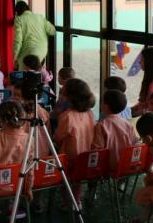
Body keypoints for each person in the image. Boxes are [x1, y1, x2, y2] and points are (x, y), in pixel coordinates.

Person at [53, 78, 96, 208]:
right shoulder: (90, 113)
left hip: (69, 157)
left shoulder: (67, 116)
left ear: (69, 97)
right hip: (85, 155)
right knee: (76, 181)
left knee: (66, 180)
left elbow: (58, 137)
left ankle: (69, 203)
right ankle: (76, 201)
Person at [92, 90, 138, 171]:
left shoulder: (101, 125)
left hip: (108, 167)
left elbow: (98, 150)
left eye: (102, 101)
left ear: (105, 106)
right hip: (125, 164)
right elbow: (134, 144)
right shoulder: (128, 124)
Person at [13, 1, 55, 70]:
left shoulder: (18, 19)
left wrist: (14, 58)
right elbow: (52, 31)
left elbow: (18, 41)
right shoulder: (40, 17)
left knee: (23, 71)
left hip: (29, 52)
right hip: (42, 51)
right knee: (36, 72)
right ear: (28, 7)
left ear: (17, 12)